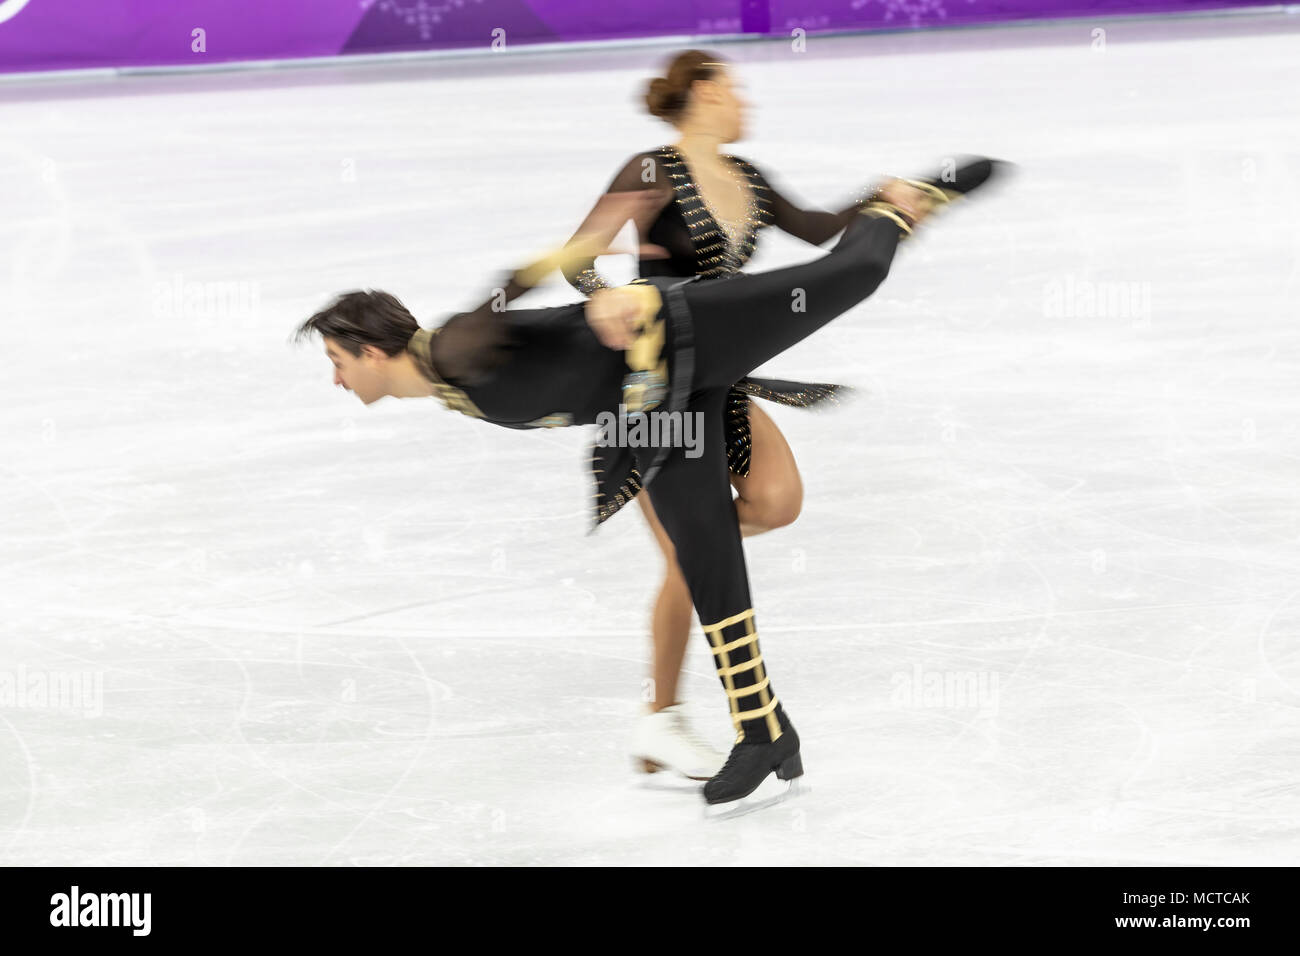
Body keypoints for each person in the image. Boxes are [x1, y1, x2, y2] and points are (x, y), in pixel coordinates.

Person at [295, 158, 1003, 805]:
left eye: (336, 359)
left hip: (679, 332)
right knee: (704, 549)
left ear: (370, 349)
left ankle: (900, 204)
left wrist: (590, 266)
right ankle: (764, 733)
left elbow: (508, 290)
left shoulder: (451, 348)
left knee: (847, 277)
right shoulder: (445, 386)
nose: (334, 377)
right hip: (650, 411)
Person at [563, 50, 900, 780]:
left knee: (776, 503)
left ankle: (696, 564)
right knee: (692, 559)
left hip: (719, 380)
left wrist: (882, 201)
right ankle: (661, 717)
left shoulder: (747, 180)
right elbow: (579, 258)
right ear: (706, 92)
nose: (745, 101)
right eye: (736, 88)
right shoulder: (651, 172)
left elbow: (815, 229)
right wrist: (604, 293)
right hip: (652, 391)